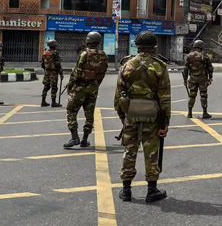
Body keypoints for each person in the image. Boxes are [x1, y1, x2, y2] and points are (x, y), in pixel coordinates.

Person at [115, 31, 171, 203]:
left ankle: (126, 191)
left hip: (131, 114)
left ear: (136, 45)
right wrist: (164, 124)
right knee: (151, 152)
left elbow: (118, 97)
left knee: (129, 151)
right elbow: (165, 100)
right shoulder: (159, 66)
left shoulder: (126, 65)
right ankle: (151, 190)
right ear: (154, 46)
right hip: (152, 117)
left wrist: (123, 117)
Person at [64, 32, 108, 148]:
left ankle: (74, 138)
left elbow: (77, 72)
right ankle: (84, 139)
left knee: (71, 111)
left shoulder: (85, 54)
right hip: (93, 89)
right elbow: (102, 73)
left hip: (80, 88)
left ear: (88, 41)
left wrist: (70, 85)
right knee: (89, 114)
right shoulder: (103, 55)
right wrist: (95, 84)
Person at [183, 40, 213, 119]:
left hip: (192, 79)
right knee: (203, 95)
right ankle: (204, 112)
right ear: (201, 46)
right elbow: (210, 67)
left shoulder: (189, 56)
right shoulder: (204, 56)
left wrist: (185, 79)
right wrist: (210, 77)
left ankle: (189, 113)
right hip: (202, 79)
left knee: (192, 95)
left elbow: (185, 69)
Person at [41, 39, 63, 108]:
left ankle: (43, 101)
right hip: (53, 72)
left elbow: (42, 64)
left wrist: (46, 69)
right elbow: (58, 64)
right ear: (54, 45)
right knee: (54, 87)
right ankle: (53, 102)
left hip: (47, 72)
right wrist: (61, 73)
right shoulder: (55, 53)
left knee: (46, 86)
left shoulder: (45, 53)